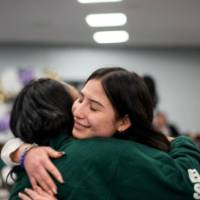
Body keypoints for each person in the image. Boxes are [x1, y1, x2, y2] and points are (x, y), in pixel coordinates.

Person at [2, 68, 200, 200]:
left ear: (123, 121)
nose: (78, 112)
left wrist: (22, 151)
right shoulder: (103, 153)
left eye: (93, 108)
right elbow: (190, 188)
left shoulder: (29, 167)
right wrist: (183, 142)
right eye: (79, 99)